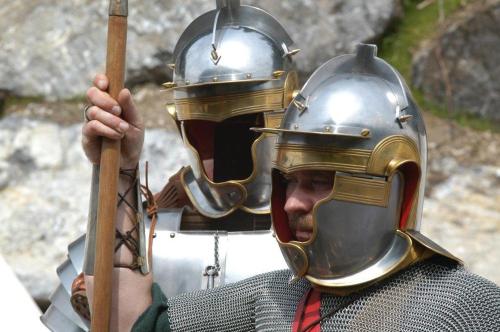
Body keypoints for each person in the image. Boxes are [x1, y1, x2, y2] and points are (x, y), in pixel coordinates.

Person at [130, 44, 500, 331]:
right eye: (289, 182)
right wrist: (118, 166)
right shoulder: (278, 295)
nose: (291, 203)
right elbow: (133, 323)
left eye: (319, 182)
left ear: (395, 184)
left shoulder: (465, 308)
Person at [41, 1, 300, 331]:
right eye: (204, 127)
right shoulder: (144, 239)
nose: (222, 148)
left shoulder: (315, 244)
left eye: (243, 124)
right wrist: (115, 169)